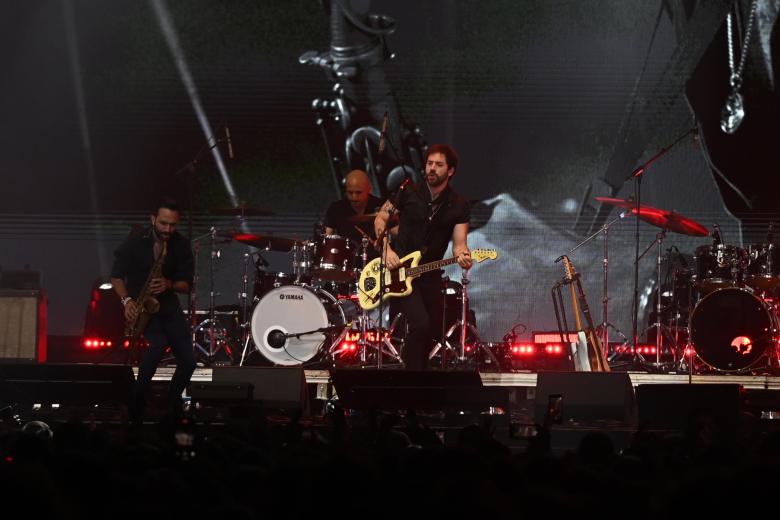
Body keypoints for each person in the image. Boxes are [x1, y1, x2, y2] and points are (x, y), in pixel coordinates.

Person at [373, 144, 472, 370]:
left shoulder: (458, 205)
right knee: (421, 323)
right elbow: (380, 220)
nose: (432, 169)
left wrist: (463, 256)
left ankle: (417, 377)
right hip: (401, 272)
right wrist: (387, 250)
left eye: (439, 165)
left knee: (433, 327)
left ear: (451, 171)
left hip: (430, 273)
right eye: (429, 164)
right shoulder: (407, 192)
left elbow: (459, 245)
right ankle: (410, 376)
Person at [111, 197, 195, 423]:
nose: (168, 229)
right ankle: (136, 400)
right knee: (157, 346)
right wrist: (126, 301)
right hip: (142, 307)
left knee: (189, 361)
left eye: (173, 225)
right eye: (163, 224)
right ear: (153, 219)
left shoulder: (181, 244)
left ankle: (169, 404)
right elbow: (116, 276)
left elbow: (187, 285)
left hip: (168, 307)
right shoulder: (135, 242)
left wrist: (169, 284)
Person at [323, 169, 384, 253]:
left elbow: (397, 232)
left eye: (358, 193)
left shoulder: (381, 206)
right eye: (350, 192)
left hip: (375, 262)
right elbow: (326, 239)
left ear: (369, 189)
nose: (354, 197)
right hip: (345, 260)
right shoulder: (336, 208)